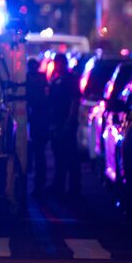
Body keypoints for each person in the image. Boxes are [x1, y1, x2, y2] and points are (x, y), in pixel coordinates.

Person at [48, 54, 81, 197]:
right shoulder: (55, 80)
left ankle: (74, 189)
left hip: (66, 123)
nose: (57, 66)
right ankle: (58, 186)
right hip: (57, 122)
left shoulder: (70, 79)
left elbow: (75, 101)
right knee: (59, 155)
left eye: (59, 63)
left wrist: (70, 120)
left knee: (70, 156)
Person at [25, 59, 49, 196]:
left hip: (37, 121)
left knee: (38, 154)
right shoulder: (41, 79)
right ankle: (39, 184)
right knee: (38, 155)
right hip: (35, 121)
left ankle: (39, 185)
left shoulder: (36, 80)